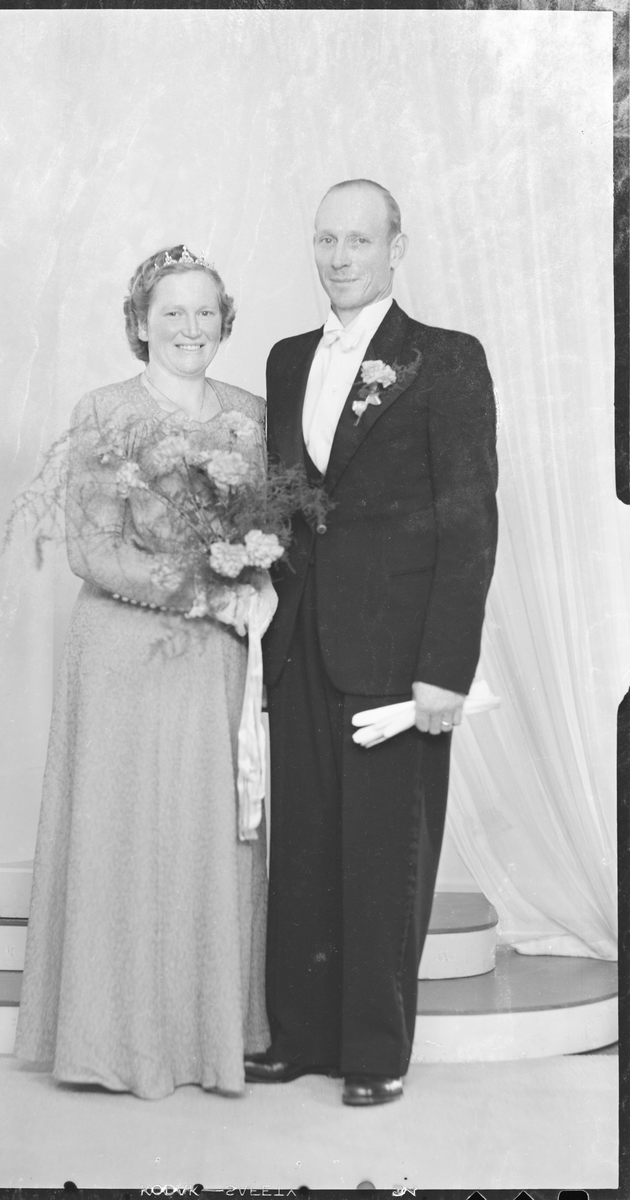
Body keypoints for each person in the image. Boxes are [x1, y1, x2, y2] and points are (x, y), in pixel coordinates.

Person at [250, 180, 499, 1105]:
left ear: (396, 248)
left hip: (397, 658)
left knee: (385, 855)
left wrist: (445, 670)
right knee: (305, 847)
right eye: (326, 239)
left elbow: (470, 520)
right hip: (298, 647)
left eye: (358, 239)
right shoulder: (285, 359)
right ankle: (298, 1037)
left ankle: (374, 1053)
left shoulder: (447, 359)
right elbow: (286, 504)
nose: (339, 256)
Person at [14, 246, 270, 1100]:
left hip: (215, 660)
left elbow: (269, 536)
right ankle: (110, 1044)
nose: (190, 327)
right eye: (171, 312)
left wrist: (256, 582)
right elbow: (92, 551)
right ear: (140, 323)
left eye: (204, 312)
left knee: (205, 840)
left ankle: (206, 1042)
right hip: (123, 655)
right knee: (123, 841)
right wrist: (205, 592)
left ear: (224, 320)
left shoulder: (250, 415)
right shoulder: (104, 412)